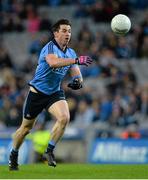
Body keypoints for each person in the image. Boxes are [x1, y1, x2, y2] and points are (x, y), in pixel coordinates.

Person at [8, 19, 92, 170]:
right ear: (56, 33)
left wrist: (78, 81)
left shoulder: (71, 52)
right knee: (25, 129)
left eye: (69, 31)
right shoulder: (50, 48)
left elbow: (76, 72)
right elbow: (53, 63)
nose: (68, 34)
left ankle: (49, 151)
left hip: (54, 92)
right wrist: (76, 60)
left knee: (64, 117)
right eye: (64, 31)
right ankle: (14, 154)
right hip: (37, 93)